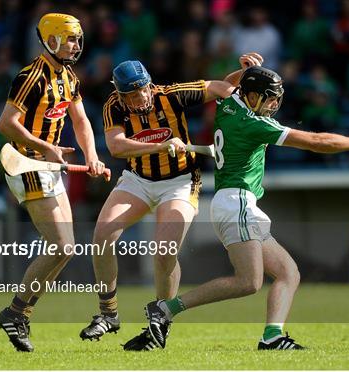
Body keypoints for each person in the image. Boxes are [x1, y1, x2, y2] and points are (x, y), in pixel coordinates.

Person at [138, 65, 349, 351]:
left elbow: (227, 83)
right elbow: (316, 142)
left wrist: (243, 70)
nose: (274, 104)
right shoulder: (254, 124)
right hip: (237, 204)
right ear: (252, 96)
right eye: (269, 97)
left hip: (238, 204)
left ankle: (272, 337)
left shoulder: (228, 103)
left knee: (288, 273)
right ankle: (167, 309)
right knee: (248, 282)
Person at [79, 54, 264, 350]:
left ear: (150, 84)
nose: (141, 98)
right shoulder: (113, 106)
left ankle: (159, 322)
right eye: (131, 94)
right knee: (102, 236)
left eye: (143, 89)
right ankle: (108, 314)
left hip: (180, 182)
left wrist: (245, 75)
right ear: (119, 93)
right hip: (138, 180)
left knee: (164, 252)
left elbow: (220, 88)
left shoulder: (171, 95)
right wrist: (162, 144)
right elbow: (116, 146)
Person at [0, 13, 109, 352]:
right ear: (52, 39)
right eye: (70, 39)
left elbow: (81, 120)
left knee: (67, 248)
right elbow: (5, 123)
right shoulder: (31, 77)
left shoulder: (69, 76)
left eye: (77, 39)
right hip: (27, 163)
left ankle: (16, 313)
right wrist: (46, 148)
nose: (75, 46)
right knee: (60, 245)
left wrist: (92, 156)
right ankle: (15, 313)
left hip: (49, 165)